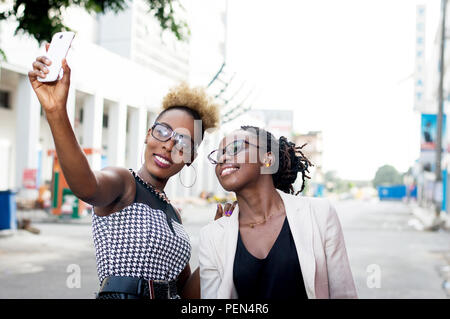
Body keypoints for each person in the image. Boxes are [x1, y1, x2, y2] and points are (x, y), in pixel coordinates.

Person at [28, 47, 220, 299]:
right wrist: (55, 112)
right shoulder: (124, 183)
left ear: (190, 157)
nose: (169, 144)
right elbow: (87, 186)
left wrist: (218, 239)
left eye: (183, 142)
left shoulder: (174, 215)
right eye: (162, 131)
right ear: (147, 134)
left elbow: (186, 294)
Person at [199, 126, 357, 299]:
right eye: (218, 154)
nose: (222, 158)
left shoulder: (319, 214)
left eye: (235, 148)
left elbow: (344, 293)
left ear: (268, 159)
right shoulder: (212, 236)